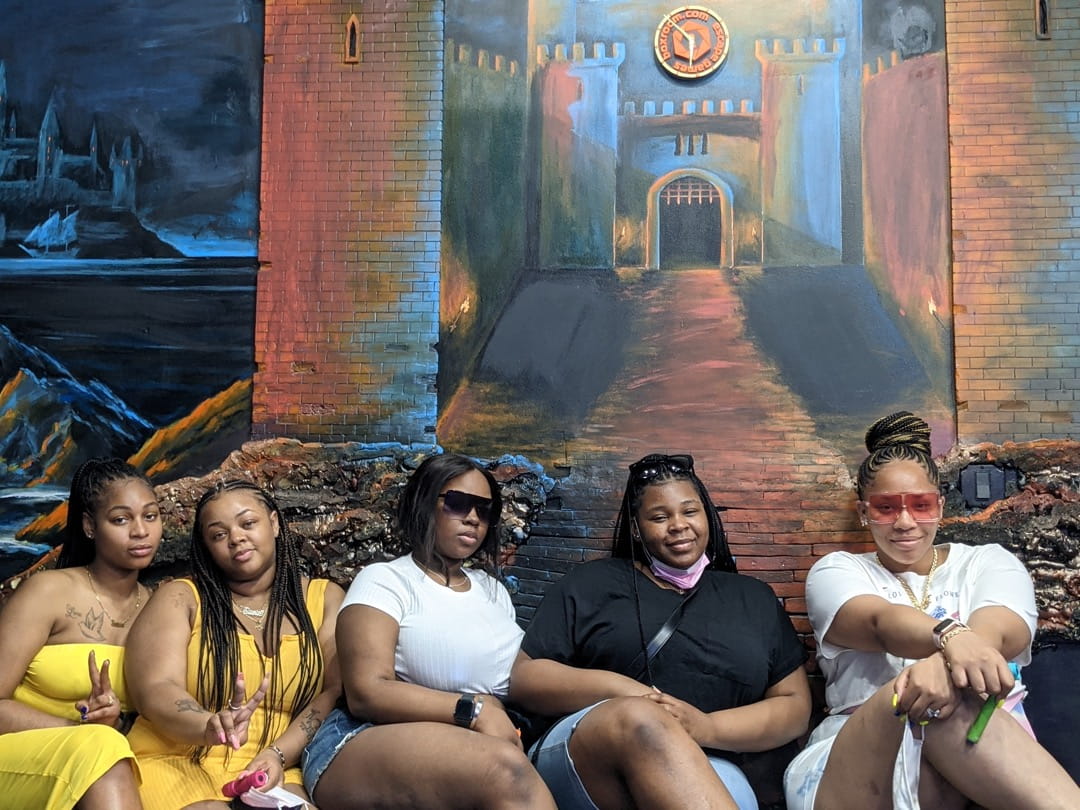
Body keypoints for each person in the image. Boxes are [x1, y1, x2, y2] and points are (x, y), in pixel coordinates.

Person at [783, 411, 1080, 810]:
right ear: (863, 512)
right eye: (886, 508)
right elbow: (878, 622)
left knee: (943, 697)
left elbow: (1001, 631)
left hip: (982, 747)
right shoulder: (837, 571)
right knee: (927, 699)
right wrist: (950, 637)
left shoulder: (988, 562)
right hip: (858, 755)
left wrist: (945, 668)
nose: (905, 522)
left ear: (940, 505)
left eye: (920, 505)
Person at [510, 452, 812, 810]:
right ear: (636, 528)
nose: (678, 525)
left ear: (707, 516)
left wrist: (705, 727)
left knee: (727, 794)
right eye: (659, 517)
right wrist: (629, 693)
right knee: (642, 720)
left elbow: (794, 706)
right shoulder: (591, 583)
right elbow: (525, 678)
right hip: (587, 756)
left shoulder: (753, 598)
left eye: (690, 511)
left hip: (709, 762)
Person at [301, 453, 556, 810]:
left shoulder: (494, 591)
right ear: (424, 503)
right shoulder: (385, 579)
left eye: (485, 510)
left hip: (465, 739)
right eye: (458, 503)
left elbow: (508, 678)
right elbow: (366, 693)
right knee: (505, 770)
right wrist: (476, 710)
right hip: (362, 734)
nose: (473, 518)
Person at [124, 480, 344, 809]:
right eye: (218, 534)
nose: (236, 537)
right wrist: (207, 725)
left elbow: (335, 691)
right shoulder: (182, 598)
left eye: (248, 523)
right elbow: (156, 688)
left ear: (273, 523)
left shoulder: (323, 600)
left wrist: (277, 754)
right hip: (176, 759)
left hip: (273, 768)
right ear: (207, 547)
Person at [0, 457, 163, 809]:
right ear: (90, 526)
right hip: (14, 754)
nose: (140, 531)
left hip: (101, 759)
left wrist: (113, 721)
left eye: (150, 516)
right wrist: (77, 729)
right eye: (121, 519)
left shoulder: (157, 610)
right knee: (102, 749)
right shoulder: (48, 591)